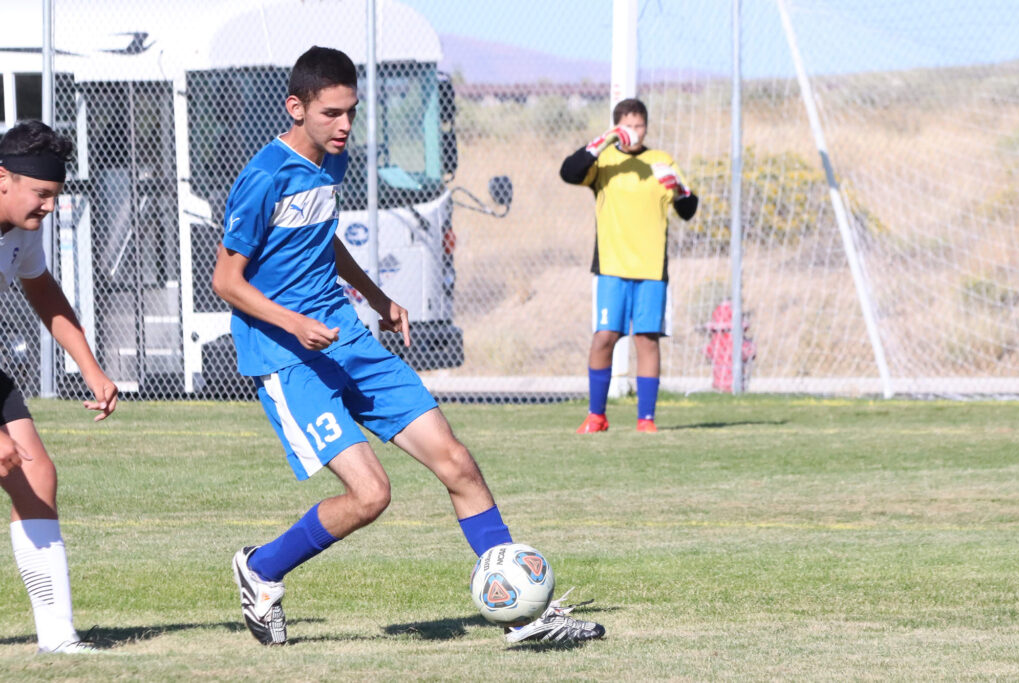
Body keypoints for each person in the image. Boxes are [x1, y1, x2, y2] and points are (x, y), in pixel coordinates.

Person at [212, 46, 604, 646]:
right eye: (331, 113)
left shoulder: (332, 161)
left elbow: (319, 239)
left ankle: (524, 619)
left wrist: (377, 296)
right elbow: (226, 280)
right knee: (371, 494)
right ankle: (261, 569)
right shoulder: (264, 177)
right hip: (288, 356)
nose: (345, 125)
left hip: (346, 336)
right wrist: (293, 323)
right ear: (296, 107)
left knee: (457, 462)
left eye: (352, 111)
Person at [0, 120, 119, 653]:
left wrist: (90, 367)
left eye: (55, 194)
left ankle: (57, 636)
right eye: (41, 194)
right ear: (3, 178)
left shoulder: (22, 230)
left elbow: (43, 290)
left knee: (35, 473)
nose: (50, 206)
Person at [560, 98, 699, 434]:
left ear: (646, 127)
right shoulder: (604, 160)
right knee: (604, 338)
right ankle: (597, 416)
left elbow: (688, 209)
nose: (635, 132)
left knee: (647, 340)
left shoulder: (660, 160)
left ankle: (645, 419)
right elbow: (569, 172)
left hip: (651, 269)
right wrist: (603, 141)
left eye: (639, 125)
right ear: (617, 127)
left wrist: (680, 190)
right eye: (628, 126)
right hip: (612, 267)